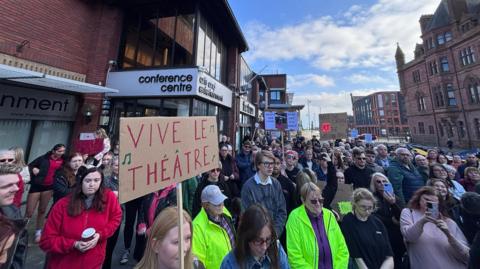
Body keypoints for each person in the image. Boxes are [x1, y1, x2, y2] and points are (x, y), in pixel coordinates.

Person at [39, 167, 122, 269]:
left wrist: (100, 235)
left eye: (96, 180)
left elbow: (116, 217)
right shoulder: (62, 205)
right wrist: (74, 244)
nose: (92, 184)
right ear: (80, 181)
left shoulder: (109, 197)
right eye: (88, 180)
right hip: (64, 264)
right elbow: (46, 241)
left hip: (94, 263)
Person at [400, 186, 469, 269]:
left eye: (433, 202)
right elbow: (410, 237)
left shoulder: (448, 222)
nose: (428, 203)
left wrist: (448, 234)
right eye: (426, 199)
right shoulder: (409, 213)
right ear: (418, 199)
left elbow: (466, 255)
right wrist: (422, 221)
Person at [286, 182, 349, 268]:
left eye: (321, 200)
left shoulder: (329, 215)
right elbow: (294, 256)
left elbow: (342, 249)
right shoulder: (294, 218)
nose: (318, 204)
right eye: (313, 201)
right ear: (303, 200)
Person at [220, 204, 290, 269]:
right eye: (258, 241)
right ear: (246, 238)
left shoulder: (277, 250)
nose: (264, 247)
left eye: (268, 239)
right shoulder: (230, 263)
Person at [341, 188, 394, 269]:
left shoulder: (377, 222)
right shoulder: (348, 220)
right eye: (363, 207)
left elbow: (389, 256)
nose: (367, 211)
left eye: (370, 208)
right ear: (354, 204)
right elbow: (356, 256)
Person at [134, 207, 200, 269]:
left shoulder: (197, 266)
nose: (185, 248)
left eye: (188, 238)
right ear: (156, 245)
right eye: (176, 242)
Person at [241, 150, 287, 238]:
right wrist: (261, 237)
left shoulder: (276, 184)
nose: (270, 167)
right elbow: (246, 216)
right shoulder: (248, 187)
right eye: (266, 163)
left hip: (274, 236)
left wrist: (275, 233)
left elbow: (282, 212)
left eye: (272, 163)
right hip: (256, 237)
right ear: (258, 165)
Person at [27, 143, 66, 243]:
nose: (61, 153)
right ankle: (22, 230)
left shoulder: (63, 160)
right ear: (54, 151)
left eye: (63, 151)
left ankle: (38, 231)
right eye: (59, 151)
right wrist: (34, 169)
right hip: (36, 186)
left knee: (42, 210)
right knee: (29, 212)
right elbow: (30, 165)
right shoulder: (44, 158)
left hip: (49, 187)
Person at [192, 185, 235, 269]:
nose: (221, 204)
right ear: (205, 205)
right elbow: (198, 263)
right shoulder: (197, 227)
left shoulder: (224, 211)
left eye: (221, 200)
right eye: (216, 203)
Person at [370, 172, 406, 267]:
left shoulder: (395, 197)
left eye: (384, 181)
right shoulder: (372, 198)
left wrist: (393, 204)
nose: (382, 184)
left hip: (396, 237)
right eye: (378, 182)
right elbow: (373, 216)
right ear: (374, 185)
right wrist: (391, 220)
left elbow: (402, 216)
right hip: (381, 236)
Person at [0, 164, 27, 269]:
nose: (16, 188)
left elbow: (18, 252)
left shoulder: (14, 213)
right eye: (7, 185)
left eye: (16, 183)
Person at [103, 157, 120, 269]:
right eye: (115, 165)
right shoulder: (106, 180)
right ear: (111, 166)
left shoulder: (126, 180)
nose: (117, 168)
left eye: (119, 165)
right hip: (105, 216)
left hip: (118, 216)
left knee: (110, 247)